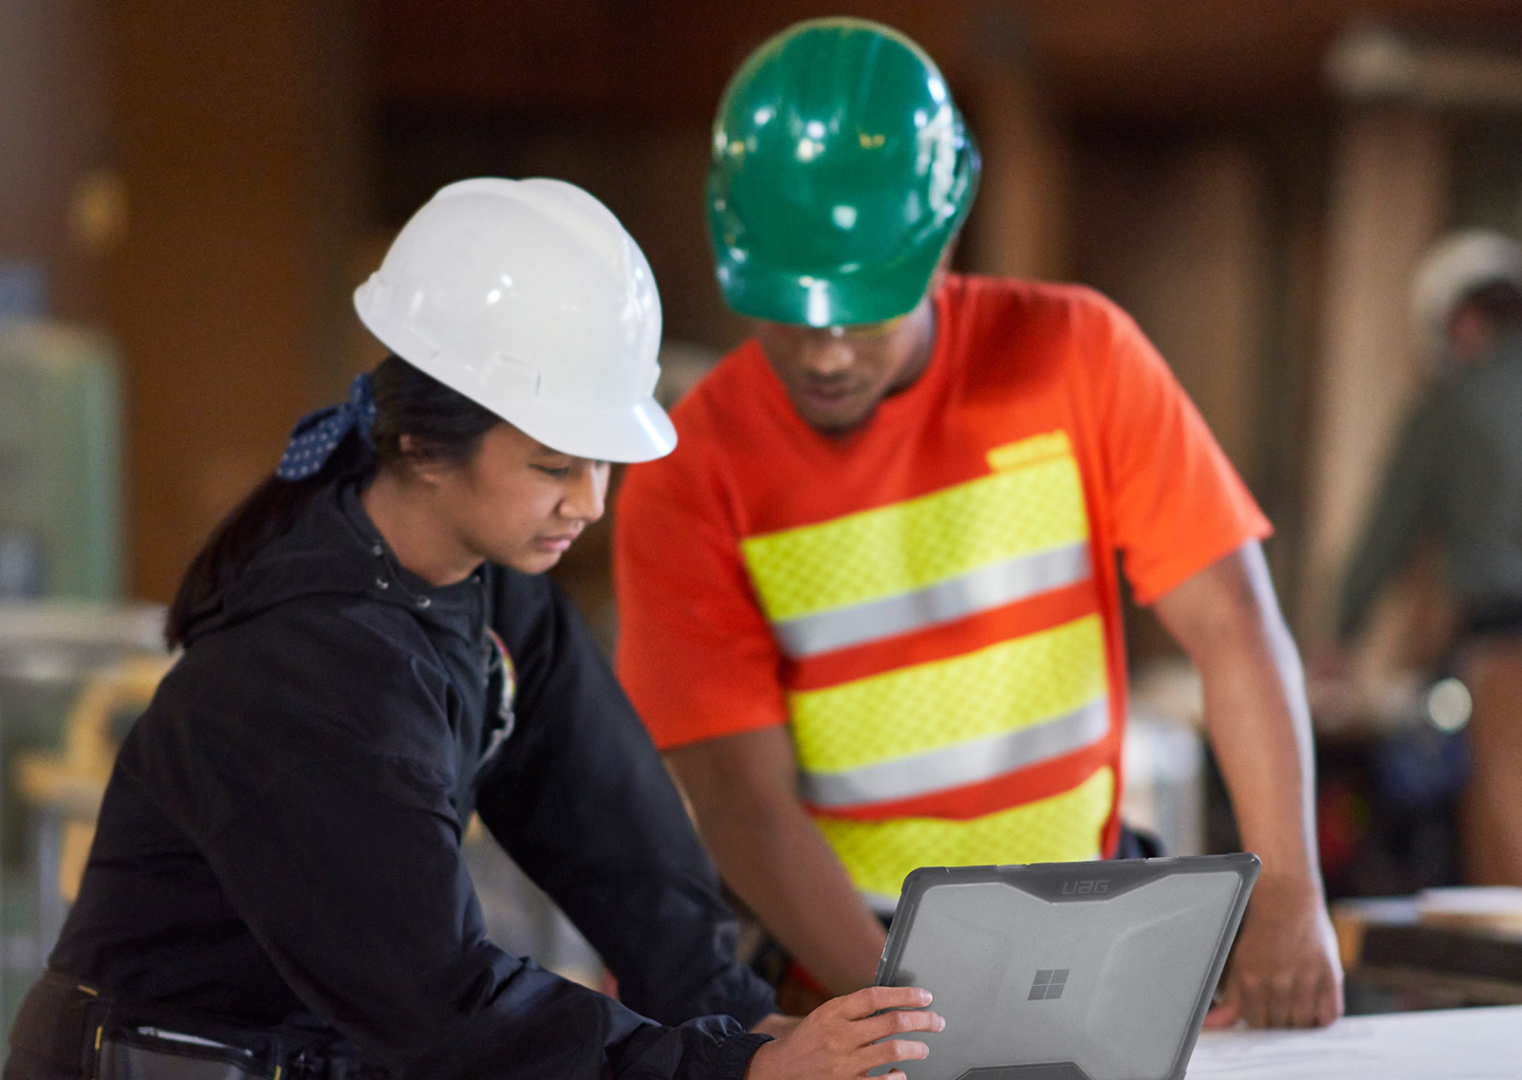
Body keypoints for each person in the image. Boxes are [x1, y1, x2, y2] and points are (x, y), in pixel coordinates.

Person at [3, 178, 944, 1080]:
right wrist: (721, 1068)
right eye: (552, 465)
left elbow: (616, 838)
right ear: (421, 442)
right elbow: (442, 1006)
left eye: (602, 464)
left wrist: (738, 1019)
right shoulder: (307, 668)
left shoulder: (497, 592)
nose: (588, 502)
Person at [613, 18, 1342, 1029]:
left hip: (1089, 929)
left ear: (943, 236)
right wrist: (905, 1013)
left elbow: (1233, 626)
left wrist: (1291, 895)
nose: (824, 355)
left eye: (861, 310)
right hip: (843, 957)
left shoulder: (1080, 356)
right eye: (789, 312)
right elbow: (740, 800)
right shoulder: (686, 471)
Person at [1339, 229, 1522, 886]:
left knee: (1504, 885)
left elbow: (1390, 529)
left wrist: (1339, 636)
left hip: (1503, 658)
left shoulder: (1451, 405)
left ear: (1464, 321)